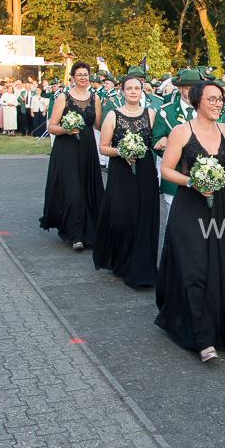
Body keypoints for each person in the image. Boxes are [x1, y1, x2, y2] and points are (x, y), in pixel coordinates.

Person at [155, 80, 225, 362]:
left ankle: (218, 328)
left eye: (220, 99)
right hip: (188, 206)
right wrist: (193, 181)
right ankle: (202, 338)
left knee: (216, 267)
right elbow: (167, 171)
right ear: (197, 102)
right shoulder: (182, 131)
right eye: (211, 99)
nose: (218, 103)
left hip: (217, 206)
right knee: (193, 268)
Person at [92, 76, 160, 289]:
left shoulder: (151, 114)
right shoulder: (113, 115)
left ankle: (141, 267)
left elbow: (158, 141)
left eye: (136, 88)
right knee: (121, 217)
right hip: (120, 173)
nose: (133, 92)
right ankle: (120, 260)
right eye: (129, 88)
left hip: (145, 171)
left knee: (144, 217)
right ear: (122, 91)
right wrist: (121, 151)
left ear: (142, 91)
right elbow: (103, 147)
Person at [39, 61, 104, 251]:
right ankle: (75, 234)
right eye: (80, 74)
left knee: (87, 190)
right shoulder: (63, 98)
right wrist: (66, 129)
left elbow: (99, 125)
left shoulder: (95, 99)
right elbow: (51, 126)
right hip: (66, 148)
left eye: (86, 74)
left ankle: (89, 231)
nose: (83, 78)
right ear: (73, 77)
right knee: (73, 191)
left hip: (87, 149)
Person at [152, 68, 202, 210]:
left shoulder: (208, 109)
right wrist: (172, 148)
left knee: (201, 223)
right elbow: (155, 142)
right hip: (175, 176)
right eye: (187, 87)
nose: (192, 91)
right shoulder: (166, 112)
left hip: (205, 176)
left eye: (195, 87)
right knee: (174, 224)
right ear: (180, 88)